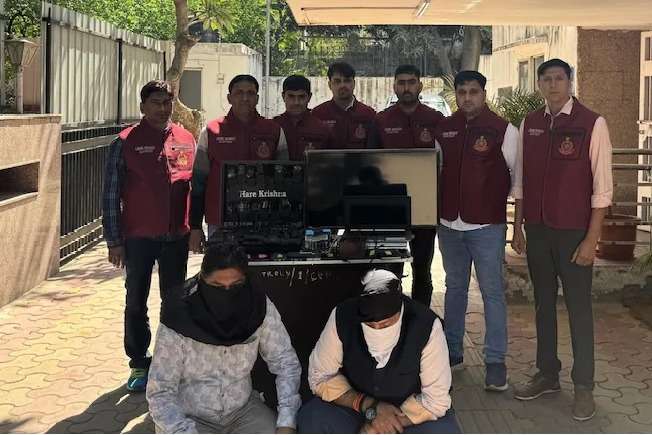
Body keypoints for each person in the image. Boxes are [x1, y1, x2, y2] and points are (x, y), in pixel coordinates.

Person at [512, 58, 613, 421]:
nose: (553, 84)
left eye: (559, 78)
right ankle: (547, 374)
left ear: (570, 82)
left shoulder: (592, 123)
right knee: (542, 304)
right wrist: (517, 227)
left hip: (574, 234)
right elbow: (520, 181)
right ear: (539, 84)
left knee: (578, 309)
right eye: (547, 79)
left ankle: (583, 386)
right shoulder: (530, 124)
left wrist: (591, 240)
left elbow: (603, 189)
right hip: (538, 230)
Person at [146, 243, 302, 433]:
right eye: (216, 287)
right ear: (202, 280)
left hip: (243, 411)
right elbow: (160, 391)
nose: (226, 294)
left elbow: (285, 362)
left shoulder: (257, 306)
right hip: (189, 417)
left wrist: (286, 421)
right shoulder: (179, 315)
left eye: (235, 286)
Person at [102, 80, 196, 392]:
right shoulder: (124, 142)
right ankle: (139, 362)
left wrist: (195, 229)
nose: (162, 108)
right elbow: (111, 194)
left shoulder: (185, 138)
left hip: (176, 236)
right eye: (155, 102)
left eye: (167, 102)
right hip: (138, 237)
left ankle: (170, 363)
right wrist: (114, 240)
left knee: (175, 302)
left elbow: (193, 186)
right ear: (143, 106)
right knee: (135, 301)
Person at [433, 70, 519, 392]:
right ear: (456, 94)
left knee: (492, 293)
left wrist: (518, 226)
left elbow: (518, 180)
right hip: (449, 225)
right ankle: (453, 353)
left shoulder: (503, 130)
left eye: (473, 91)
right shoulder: (445, 128)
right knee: (454, 289)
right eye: (462, 92)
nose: (467, 97)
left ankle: (495, 362)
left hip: (487, 227)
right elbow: (435, 172)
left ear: (484, 93)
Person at [297, 269, 460, 434]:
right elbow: (320, 376)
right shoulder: (343, 316)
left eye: (386, 324)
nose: (377, 329)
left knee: (445, 431)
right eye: (369, 325)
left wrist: (377, 427)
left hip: (409, 415)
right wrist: (368, 405)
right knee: (313, 417)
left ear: (400, 311)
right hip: (358, 408)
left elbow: (435, 400)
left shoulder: (427, 325)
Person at [189, 74, 289, 251]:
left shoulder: (273, 130)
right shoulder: (211, 131)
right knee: (221, 269)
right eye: (239, 93)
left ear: (257, 98)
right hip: (220, 223)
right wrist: (195, 227)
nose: (245, 98)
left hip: (262, 222)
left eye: (250, 93)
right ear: (229, 98)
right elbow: (198, 184)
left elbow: (284, 181)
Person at [373, 64, 445, 308]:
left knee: (422, 269)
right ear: (394, 87)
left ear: (420, 86)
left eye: (411, 82)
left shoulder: (435, 119)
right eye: (402, 83)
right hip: (391, 209)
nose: (407, 87)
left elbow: (444, 162)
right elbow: (372, 164)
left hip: (425, 208)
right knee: (390, 270)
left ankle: (420, 320)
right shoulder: (381, 120)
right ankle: (392, 317)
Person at [312, 62, 376, 149]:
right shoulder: (318, 114)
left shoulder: (369, 114)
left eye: (347, 81)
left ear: (354, 84)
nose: (342, 85)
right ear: (330, 85)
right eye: (337, 81)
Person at [274, 75, 333, 160]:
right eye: (291, 96)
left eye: (301, 96)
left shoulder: (322, 129)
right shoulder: (273, 127)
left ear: (309, 97)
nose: (296, 102)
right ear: (283, 96)